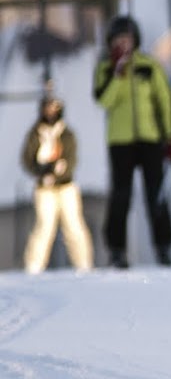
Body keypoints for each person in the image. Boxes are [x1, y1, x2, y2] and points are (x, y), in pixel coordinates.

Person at [93, 14, 171, 268]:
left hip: (150, 138)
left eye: (127, 39)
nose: (124, 44)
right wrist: (118, 74)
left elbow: (164, 100)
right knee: (121, 195)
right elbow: (104, 100)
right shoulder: (105, 68)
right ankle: (116, 249)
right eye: (118, 39)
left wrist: (170, 136)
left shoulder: (149, 66)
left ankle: (163, 246)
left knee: (156, 194)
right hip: (120, 140)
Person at [20, 94, 94, 273]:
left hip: (66, 187)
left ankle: (84, 266)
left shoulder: (66, 134)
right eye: (48, 108)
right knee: (44, 228)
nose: (51, 112)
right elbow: (27, 159)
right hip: (44, 189)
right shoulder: (36, 134)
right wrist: (42, 173)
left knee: (74, 227)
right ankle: (33, 268)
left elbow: (71, 159)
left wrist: (61, 171)